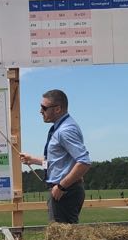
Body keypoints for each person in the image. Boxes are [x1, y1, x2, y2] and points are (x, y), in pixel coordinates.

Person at [20, 89, 91, 223]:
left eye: (44, 107)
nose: (40, 111)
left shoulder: (65, 130)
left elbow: (84, 162)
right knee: (63, 237)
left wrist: (61, 186)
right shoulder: (60, 128)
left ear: (57, 109)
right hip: (64, 191)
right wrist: (33, 160)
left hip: (65, 192)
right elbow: (59, 163)